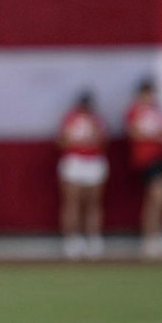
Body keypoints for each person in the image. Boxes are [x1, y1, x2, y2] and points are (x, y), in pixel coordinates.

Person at [124, 77, 162, 259]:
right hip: (145, 160)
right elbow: (135, 132)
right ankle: (151, 238)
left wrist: (154, 135)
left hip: (159, 159)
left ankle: (159, 233)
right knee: (156, 197)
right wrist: (153, 135)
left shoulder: (159, 112)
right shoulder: (135, 111)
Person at [56, 91, 108, 260]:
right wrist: (77, 142)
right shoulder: (70, 119)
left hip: (93, 162)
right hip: (75, 161)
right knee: (73, 202)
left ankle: (93, 239)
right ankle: (72, 239)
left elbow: (103, 142)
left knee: (93, 203)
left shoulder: (97, 120)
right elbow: (61, 141)